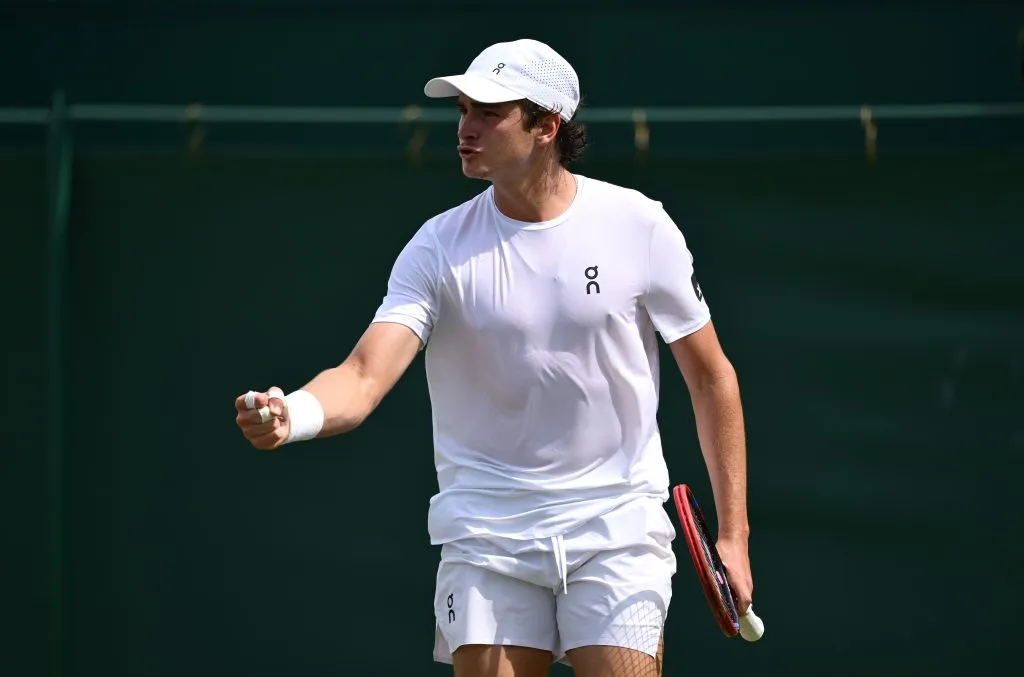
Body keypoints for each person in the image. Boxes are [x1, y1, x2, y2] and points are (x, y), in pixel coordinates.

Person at [234, 38, 754, 677]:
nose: (466, 128)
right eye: (462, 111)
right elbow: (364, 375)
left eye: (489, 112)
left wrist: (734, 535)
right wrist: (296, 413)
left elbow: (711, 377)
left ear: (546, 126)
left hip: (617, 527)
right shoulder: (437, 247)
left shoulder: (640, 227)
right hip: (486, 533)